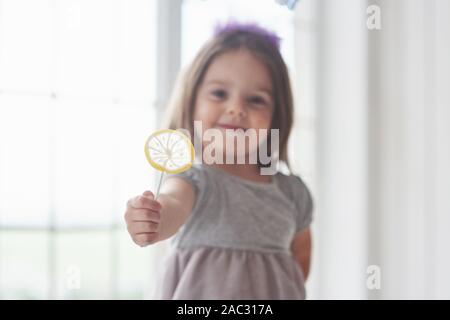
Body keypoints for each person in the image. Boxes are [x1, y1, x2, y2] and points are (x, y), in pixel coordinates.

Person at [124, 22, 314, 299]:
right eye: (219, 94)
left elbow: (300, 260)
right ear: (191, 103)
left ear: (277, 115)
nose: (236, 108)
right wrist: (152, 218)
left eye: (256, 100)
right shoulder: (193, 181)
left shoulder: (292, 193)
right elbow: (172, 205)